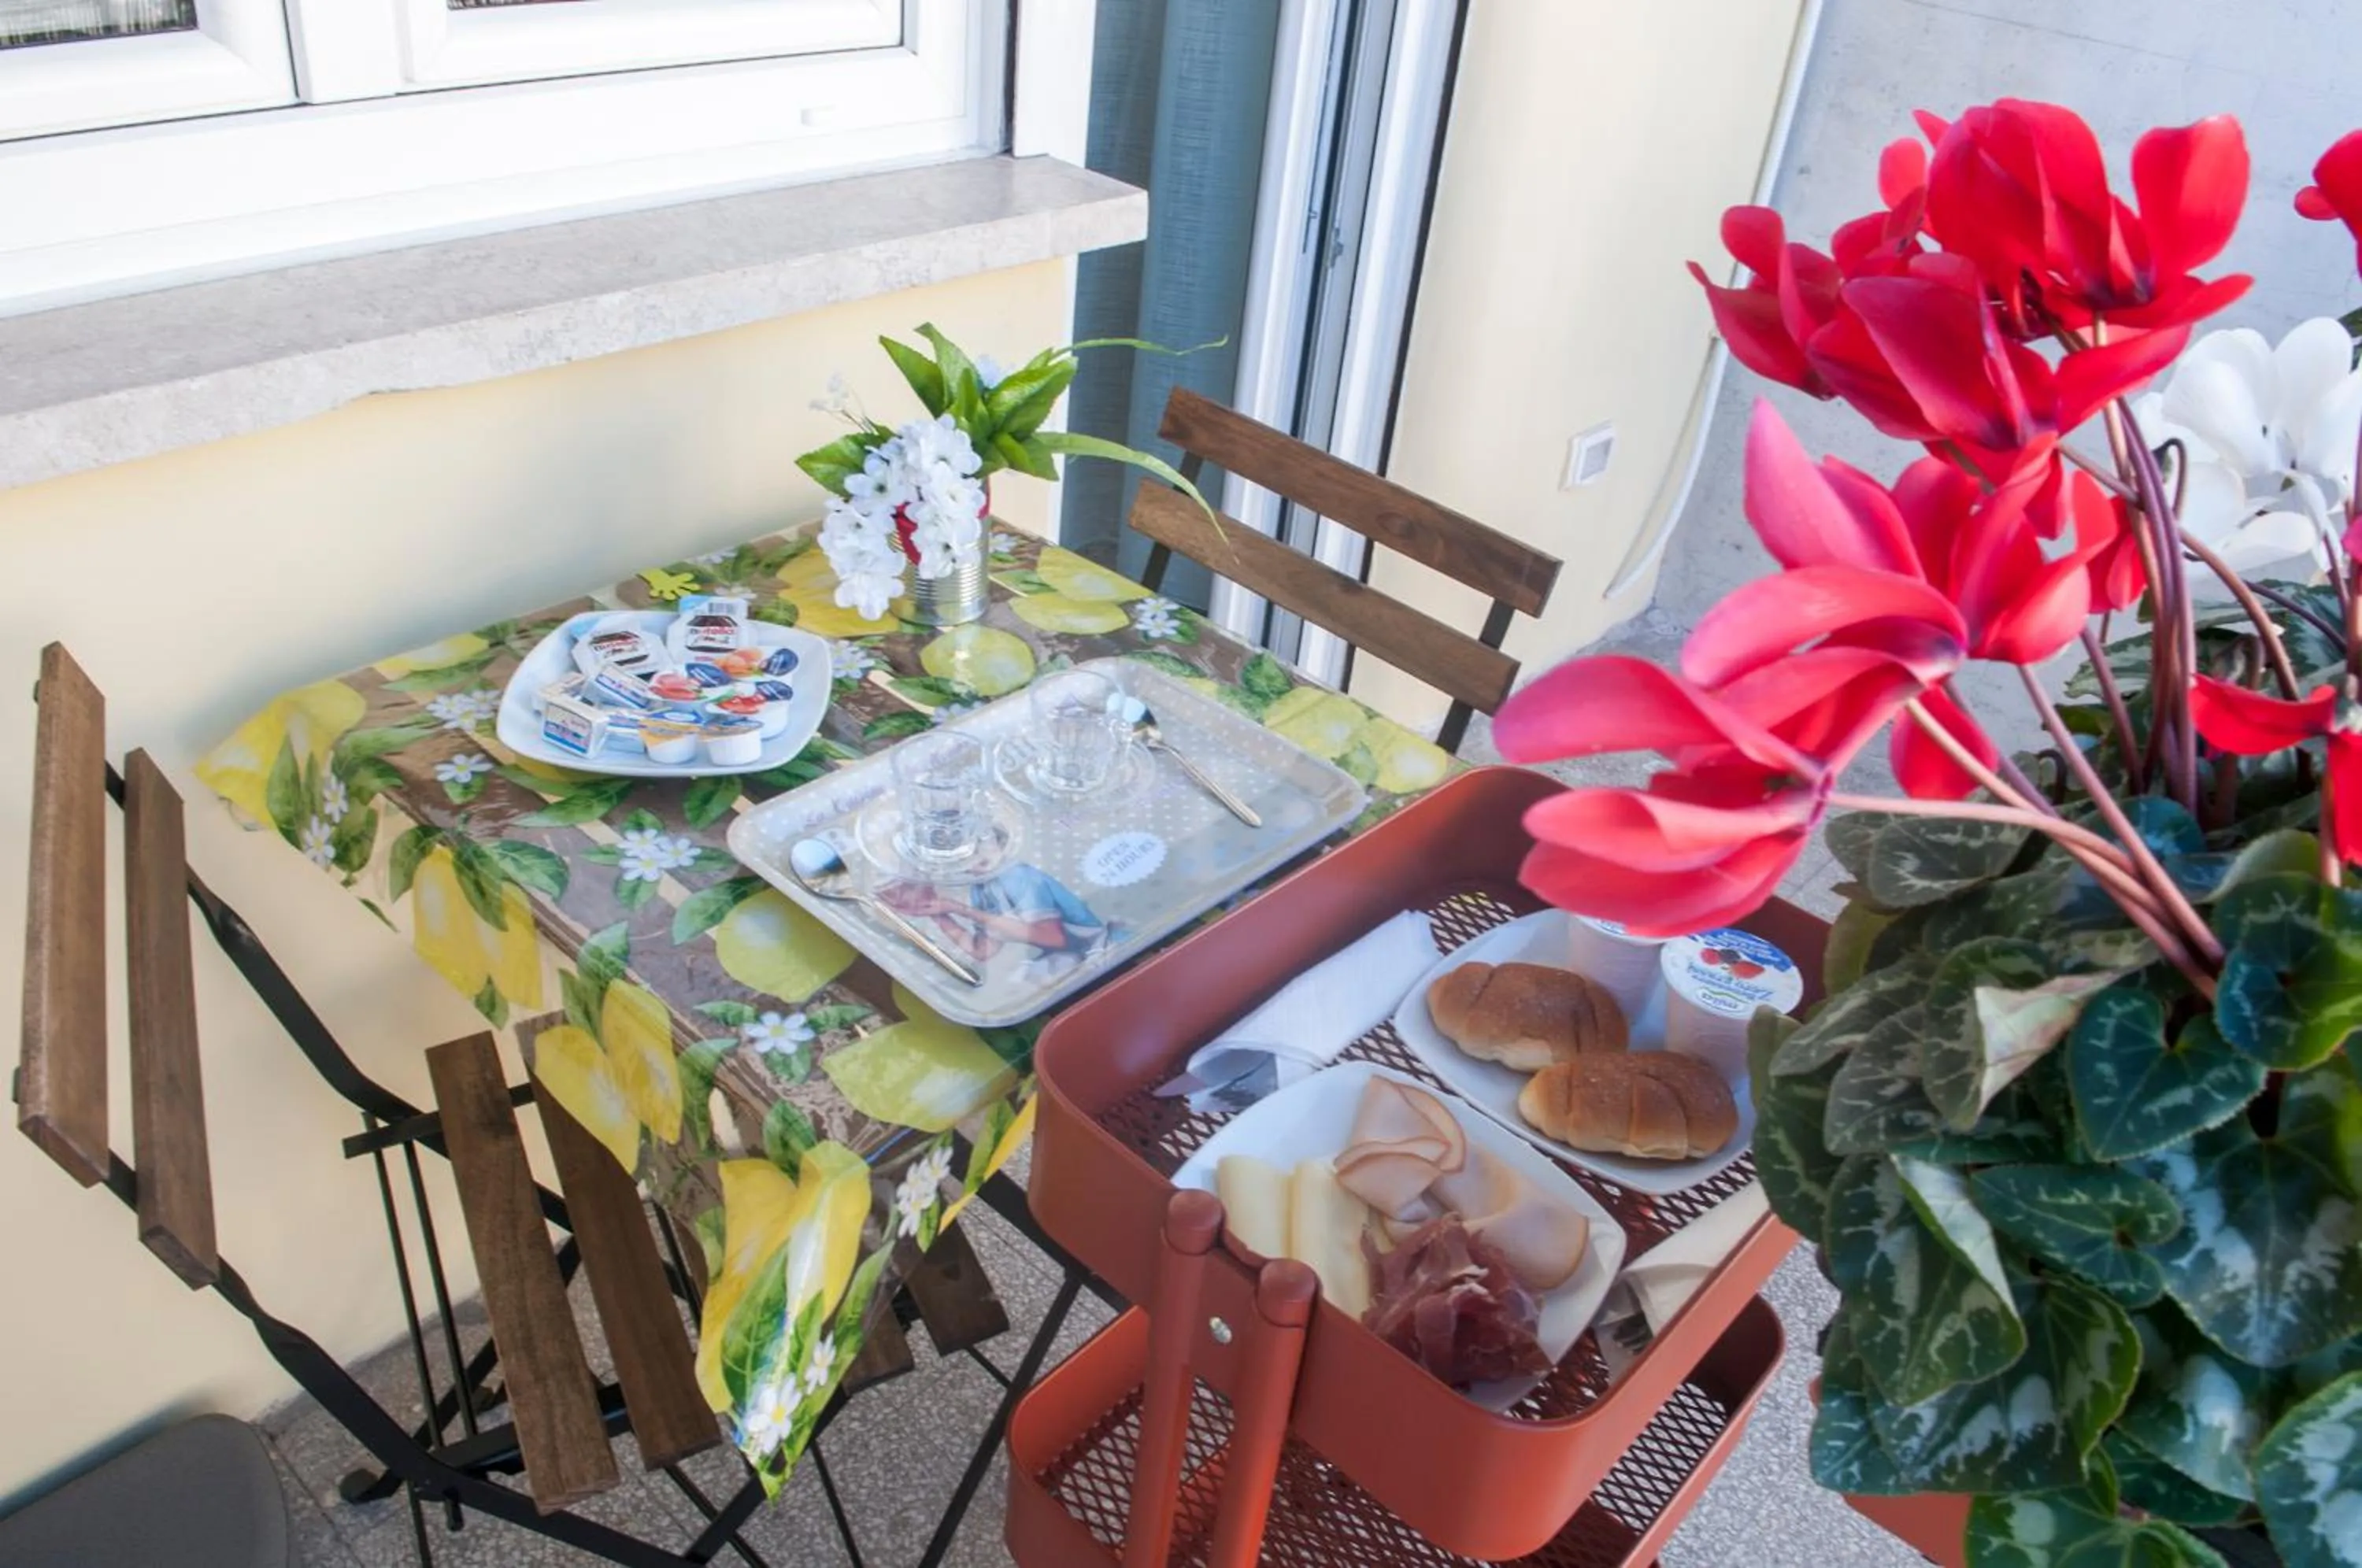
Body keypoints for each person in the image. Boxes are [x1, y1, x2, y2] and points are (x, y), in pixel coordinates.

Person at [879, 862, 1112, 986]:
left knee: (1023, 981)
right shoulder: (981, 888)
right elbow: (981, 951)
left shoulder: (1016, 875)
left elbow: (1052, 937)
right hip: (1071, 959)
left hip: (1098, 949)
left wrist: (962, 911)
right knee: (1016, 981)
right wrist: (938, 914)